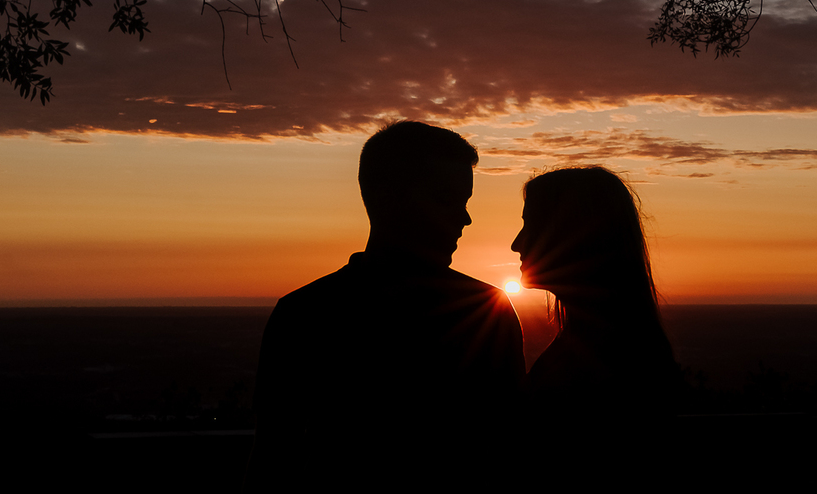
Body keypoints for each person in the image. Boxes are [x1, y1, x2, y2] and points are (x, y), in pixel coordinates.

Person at [246, 121, 524, 491]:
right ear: (385, 197)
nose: (464, 218)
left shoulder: (305, 311)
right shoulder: (303, 314)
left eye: (465, 202)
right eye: (445, 199)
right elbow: (274, 454)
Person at [510, 166, 680, 417]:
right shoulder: (609, 342)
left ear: (572, 235)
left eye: (531, 226)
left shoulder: (617, 358)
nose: (516, 244)